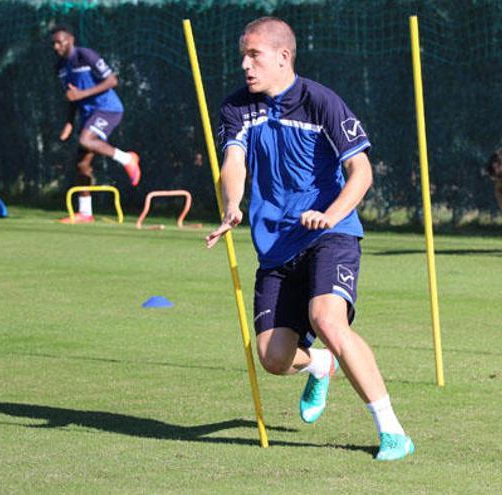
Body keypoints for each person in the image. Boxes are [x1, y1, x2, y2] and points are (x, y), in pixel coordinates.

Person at [206, 17, 413, 461]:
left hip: (331, 233)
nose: (245, 64)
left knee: (326, 319)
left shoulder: (321, 102)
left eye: (254, 55)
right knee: (273, 358)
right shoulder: (235, 108)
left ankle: (392, 430)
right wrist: (231, 205)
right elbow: (235, 162)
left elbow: (362, 171)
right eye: (243, 55)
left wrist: (332, 213)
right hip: (275, 247)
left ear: (283, 56)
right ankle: (320, 365)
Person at [50, 25, 141, 224]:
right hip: (87, 115)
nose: (56, 46)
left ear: (70, 40)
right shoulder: (60, 67)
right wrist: (68, 122)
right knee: (82, 165)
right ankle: (85, 213)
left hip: (108, 109)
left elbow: (112, 81)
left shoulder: (85, 56)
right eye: (53, 43)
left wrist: (81, 95)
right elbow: (72, 95)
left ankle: (127, 159)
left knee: (86, 140)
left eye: (60, 42)